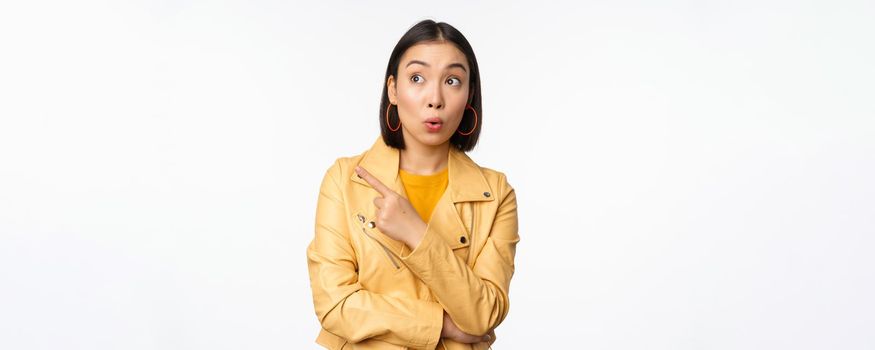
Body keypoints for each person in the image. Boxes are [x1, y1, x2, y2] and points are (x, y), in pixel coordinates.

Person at [306, 19, 519, 350]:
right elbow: (335, 305)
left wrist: (416, 233)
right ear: (393, 89)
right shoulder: (344, 181)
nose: (434, 98)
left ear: (469, 94)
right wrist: (442, 325)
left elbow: (484, 314)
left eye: (452, 80)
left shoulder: (495, 194)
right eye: (417, 78)